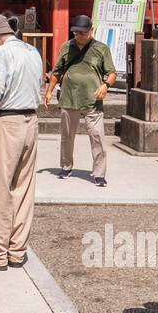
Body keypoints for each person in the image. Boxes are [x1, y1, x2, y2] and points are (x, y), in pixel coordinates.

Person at [0, 14, 45, 270]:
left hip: (7, 122)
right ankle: (17, 250)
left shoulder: (2, 54)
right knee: (23, 187)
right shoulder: (32, 51)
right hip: (30, 120)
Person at [44, 14, 116, 187]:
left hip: (93, 99)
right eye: (75, 33)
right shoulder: (66, 47)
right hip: (69, 97)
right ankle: (66, 166)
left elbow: (112, 73)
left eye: (82, 33)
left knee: (97, 136)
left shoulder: (101, 49)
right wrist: (49, 92)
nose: (79, 36)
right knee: (67, 136)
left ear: (91, 31)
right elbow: (56, 72)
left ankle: (99, 173)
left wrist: (105, 85)